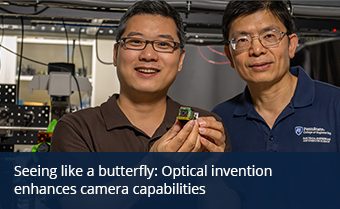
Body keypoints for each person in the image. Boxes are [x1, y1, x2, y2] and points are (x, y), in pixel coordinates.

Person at [51, 0, 230, 152]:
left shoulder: (205, 127)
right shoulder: (77, 129)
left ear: (181, 59)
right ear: (115, 54)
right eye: (135, 42)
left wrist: (211, 170)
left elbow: (225, 194)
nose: (148, 55)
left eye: (163, 44)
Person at [212, 0, 340, 152]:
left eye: (269, 36)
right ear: (229, 56)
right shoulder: (221, 119)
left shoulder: (335, 106)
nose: (257, 50)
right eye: (242, 40)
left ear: (291, 45)